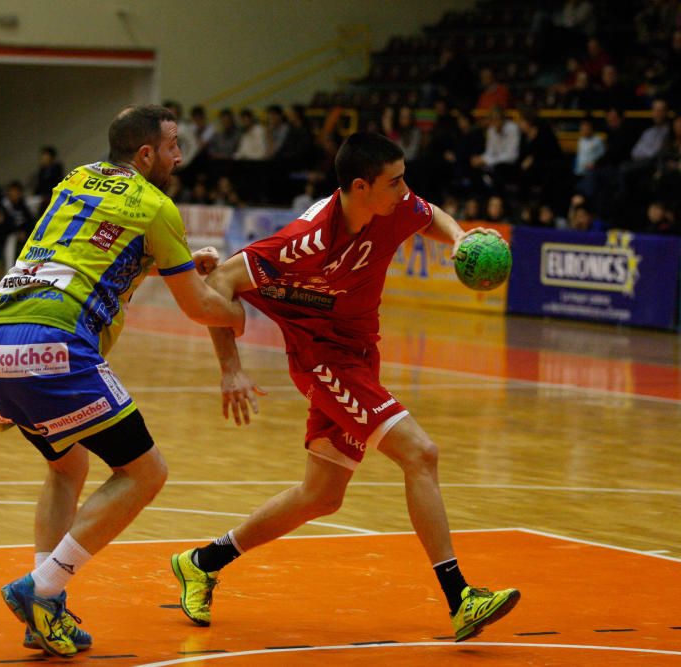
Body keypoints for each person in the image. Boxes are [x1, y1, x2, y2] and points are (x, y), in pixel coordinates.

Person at [170, 132, 520, 642]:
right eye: (395, 182)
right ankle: (460, 597)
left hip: (360, 354)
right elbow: (219, 283)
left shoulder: (393, 208)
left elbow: (431, 214)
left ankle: (202, 562)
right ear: (361, 187)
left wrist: (461, 237)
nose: (406, 190)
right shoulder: (304, 238)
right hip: (322, 360)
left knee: (321, 495)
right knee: (421, 453)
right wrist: (231, 368)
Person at [0, 105, 245, 658]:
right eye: (173, 146)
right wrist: (243, 312)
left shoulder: (76, 178)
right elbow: (199, 309)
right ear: (146, 154)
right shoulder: (156, 204)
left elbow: (85, 255)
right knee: (146, 472)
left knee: (68, 465)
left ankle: (45, 614)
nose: (179, 156)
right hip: (55, 344)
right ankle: (40, 589)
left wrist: (168, 260)